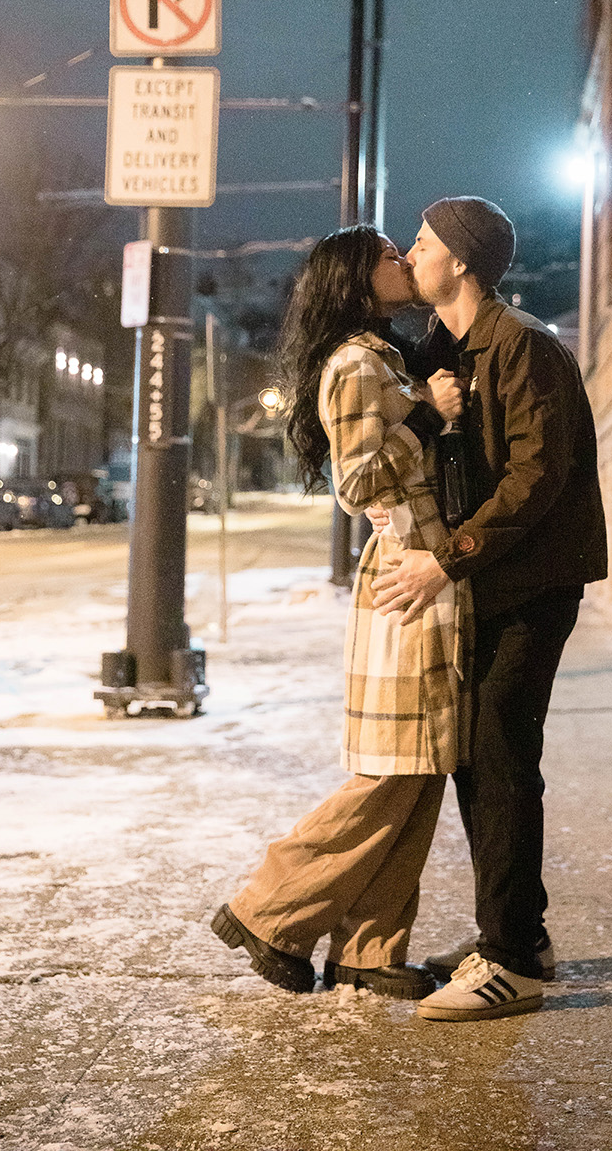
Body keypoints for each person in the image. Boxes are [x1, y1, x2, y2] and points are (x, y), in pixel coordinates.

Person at [212, 225, 471, 1000]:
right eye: (388, 255)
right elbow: (357, 483)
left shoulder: (384, 356)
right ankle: (267, 910)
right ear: (356, 280)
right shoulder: (356, 364)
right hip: (406, 578)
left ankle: (370, 950)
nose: (403, 260)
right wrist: (427, 417)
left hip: (422, 572)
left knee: (420, 770)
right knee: (395, 771)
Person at [371, 197, 607, 1021]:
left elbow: (536, 478)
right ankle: (516, 937)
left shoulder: (524, 346)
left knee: (500, 751)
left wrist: (447, 559)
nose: (411, 253)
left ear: (463, 261)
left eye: (424, 243)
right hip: (485, 580)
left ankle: (512, 962)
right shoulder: (445, 349)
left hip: (533, 582)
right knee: (477, 754)